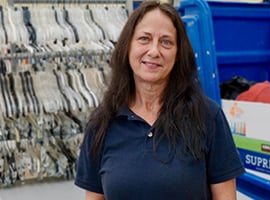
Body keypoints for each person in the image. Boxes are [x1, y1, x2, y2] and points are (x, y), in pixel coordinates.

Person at [75, 1, 245, 199]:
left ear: (178, 55)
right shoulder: (102, 124)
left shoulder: (208, 116)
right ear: (127, 47)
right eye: (144, 39)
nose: (154, 51)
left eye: (166, 42)